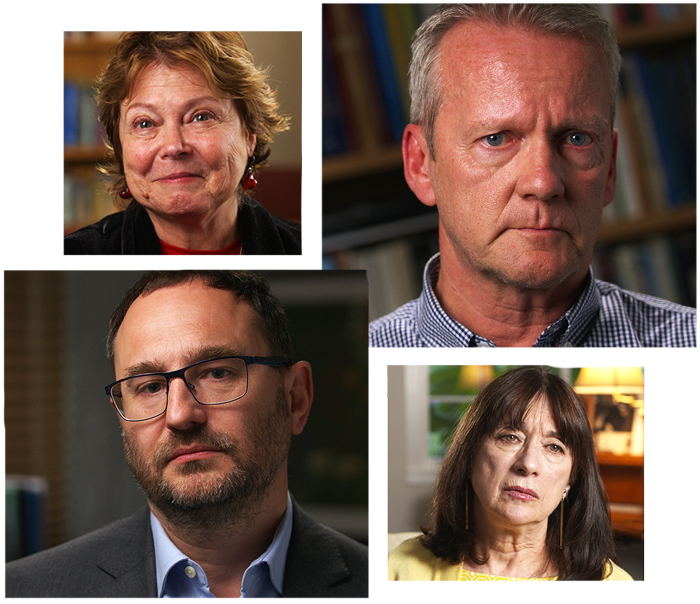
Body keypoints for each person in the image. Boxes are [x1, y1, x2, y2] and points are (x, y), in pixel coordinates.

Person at [369, 3, 697, 398]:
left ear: (610, 168)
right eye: (496, 138)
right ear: (421, 164)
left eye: (577, 139)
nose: (543, 182)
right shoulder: (353, 383)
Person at [4, 260, 369, 603]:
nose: (180, 415)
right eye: (148, 387)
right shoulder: (23, 593)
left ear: (295, 399)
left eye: (217, 373)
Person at [63, 31, 302, 256]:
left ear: (250, 134)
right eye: (145, 123)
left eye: (201, 117)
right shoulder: (77, 252)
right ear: (120, 146)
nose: (173, 146)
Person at [389, 366, 635, 583]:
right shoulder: (400, 570)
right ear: (470, 456)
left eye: (554, 447)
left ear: (571, 481)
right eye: (510, 437)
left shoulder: (614, 586)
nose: (528, 464)